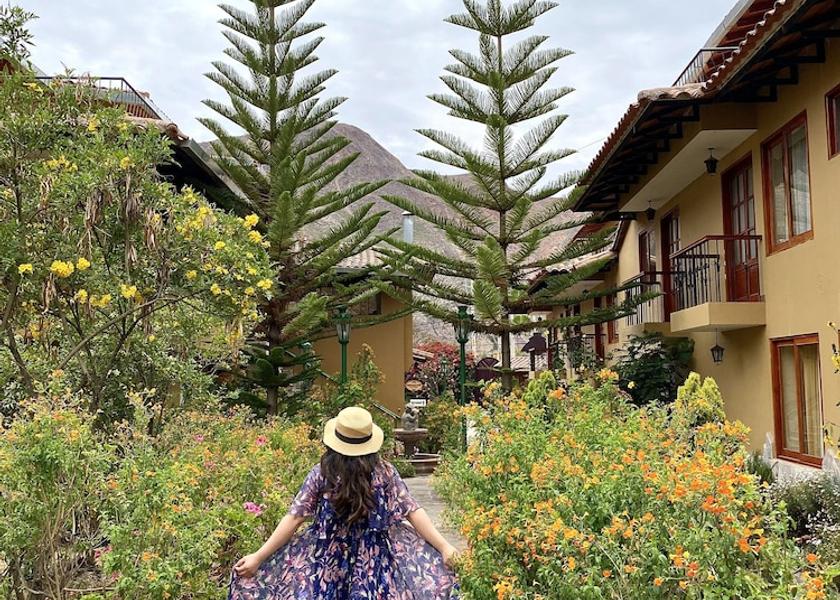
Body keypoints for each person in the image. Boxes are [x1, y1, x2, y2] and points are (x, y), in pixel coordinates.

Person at [228, 406, 460, 599]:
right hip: (373, 565)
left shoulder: (323, 473)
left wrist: (259, 557)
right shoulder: (384, 472)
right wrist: (443, 546)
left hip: (328, 563)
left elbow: (295, 517)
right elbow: (413, 510)